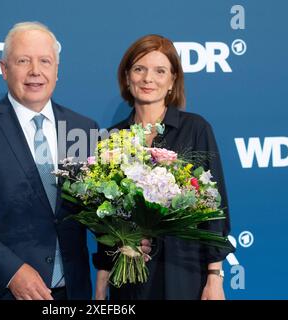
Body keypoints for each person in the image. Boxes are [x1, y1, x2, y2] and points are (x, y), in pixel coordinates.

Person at [0, 21, 101, 300]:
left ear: (57, 71)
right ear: (3, 69)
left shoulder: (83, 129)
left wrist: (128, 237)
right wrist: (11, 271)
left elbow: (96, 210)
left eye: (45, 61)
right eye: (23, 61)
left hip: (71, 292)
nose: (35, 71)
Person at [93, 34, 234, 300]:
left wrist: (214, 277)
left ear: (172, 81)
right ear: (126, 77)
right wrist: (101, 283)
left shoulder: (195, 129)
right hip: (129, 276)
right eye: (139, 69)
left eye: (160, 71)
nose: (148, 79)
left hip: (183, 271)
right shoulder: (111, 138)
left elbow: (215, 209)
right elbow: (104, 223)